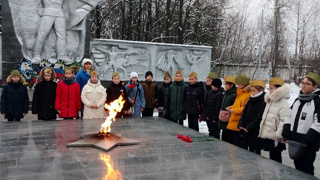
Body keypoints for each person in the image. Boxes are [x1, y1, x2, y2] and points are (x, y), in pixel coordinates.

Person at [282, 72, 320, 175]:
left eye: (307, 83)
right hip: (295, 140)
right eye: (302, 83)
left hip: (308, 143)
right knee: (297, 167)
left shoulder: (317, 102)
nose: (303, 85)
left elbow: (318, 123)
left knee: (306, 169)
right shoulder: (298, 100)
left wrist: (307, 140)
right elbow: (289, 116)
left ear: (315, 87)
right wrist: (286, 133)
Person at [259, 77, 289, 163]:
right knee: (271, 156)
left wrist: (279, 135)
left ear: (279, 89)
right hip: (269, 132)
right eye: (269, 88)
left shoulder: (283, 102)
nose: (270, 91)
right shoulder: (270, 100)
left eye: (272, 88)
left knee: (276, 156)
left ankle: (277, 174)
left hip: (275, 135)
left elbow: (283, 120)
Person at [238, 80, 266, 154]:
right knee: (248, 150)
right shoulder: (250, 100)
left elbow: (258, 118)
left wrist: (249, 127)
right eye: (251, 91)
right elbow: (244, 113)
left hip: (254, 131)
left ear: (260, 91)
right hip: (247, 129)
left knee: (256, 150)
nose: (252, 93)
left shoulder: (262, 102)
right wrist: (241, 124)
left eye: (254, 91)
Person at [225, 74, 251, 147]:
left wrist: (234, 110)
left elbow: (245, 108)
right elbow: (236, 105)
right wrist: (230, 107)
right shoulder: (240, 92)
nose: (237, 85)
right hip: (233, 122)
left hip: (238, 123)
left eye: (239, 84)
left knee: (236, 146)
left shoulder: (248, 94)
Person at [218, 76, 237, 141]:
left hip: (228, 119)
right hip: (224, 118)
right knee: (224, 136)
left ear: (231, 85)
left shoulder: (233, 95)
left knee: (228, 137)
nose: (225, 86)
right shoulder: (226, 94)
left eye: (226, 84)